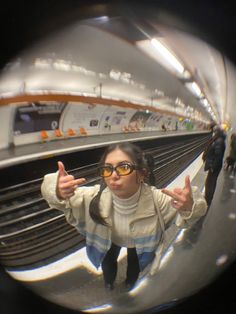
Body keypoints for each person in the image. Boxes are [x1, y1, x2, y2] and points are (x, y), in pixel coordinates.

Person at [41, 142, 207, 291]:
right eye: (107, 169)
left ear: (142, 174)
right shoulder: (93, 197)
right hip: (109, 240)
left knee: (134, 263)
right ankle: (109, 282)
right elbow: (56, 199)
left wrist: (189, 206)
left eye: (123, 167)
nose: (113, 176)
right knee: (108, 262)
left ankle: (130, 281)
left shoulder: (159, 200)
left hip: (139, 243)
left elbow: (195, 212)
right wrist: (57, 190)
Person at [202, 125, 226, 206]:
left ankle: (207, 200)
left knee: (210, 183)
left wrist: (213, 166)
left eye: (214, 131)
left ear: (217, 132)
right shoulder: (218, 139)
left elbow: (218, 156)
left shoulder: (219, 141)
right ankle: (207, 197)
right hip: (214, 166)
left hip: (214, 167)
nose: (213, 133)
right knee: (209, 182)